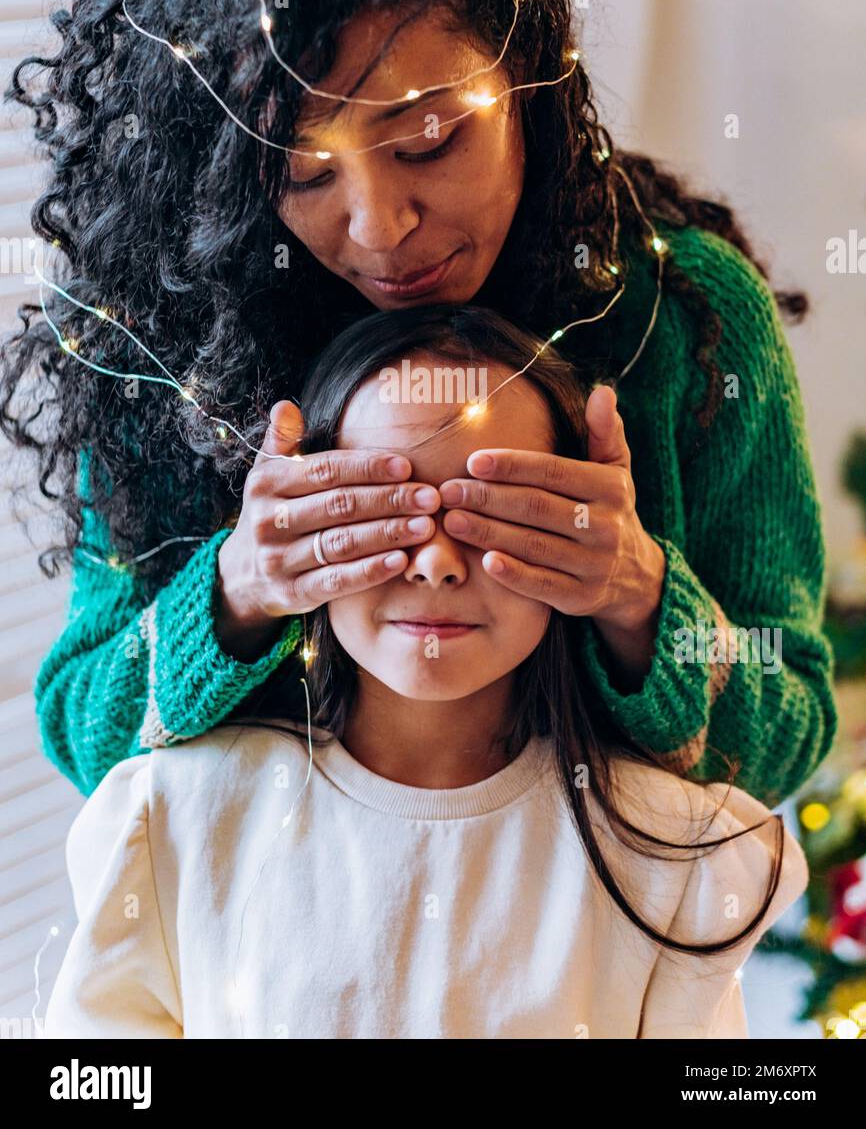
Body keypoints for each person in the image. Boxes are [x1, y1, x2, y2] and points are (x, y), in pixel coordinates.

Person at [1, 0, 834, 806]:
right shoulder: (175, 333)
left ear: (526, 78)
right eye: (303, 174)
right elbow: (88, 736)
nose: (380, 227)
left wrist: (636, 596)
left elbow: (786, 735)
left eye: (430, 142)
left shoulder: (682, 319)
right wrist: (238, 590)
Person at [44, 306, 808, 1040]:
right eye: (385, 513)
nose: (437, 563)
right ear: (299, 523)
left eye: (495, 517)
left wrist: (644, 599)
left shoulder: (674, 861)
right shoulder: (178, 821)